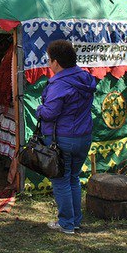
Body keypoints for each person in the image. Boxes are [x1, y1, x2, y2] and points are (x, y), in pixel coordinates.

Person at [36, 40, 97, 235]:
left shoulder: (60, 84)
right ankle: (75, 221)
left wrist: (39, 109)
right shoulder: (85, 79)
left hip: (63, 138)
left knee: (61, 180)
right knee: (73, 178)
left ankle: (66, 223)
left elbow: (49, 113)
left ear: (56, 62)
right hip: (83, 136)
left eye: (49, 60)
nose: (48, 64)